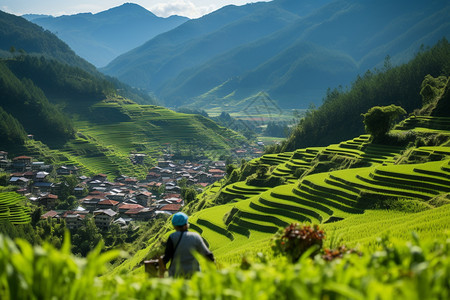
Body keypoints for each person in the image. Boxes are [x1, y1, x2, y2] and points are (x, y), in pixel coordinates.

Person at [158, 212, 215, 278]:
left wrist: (161, 263)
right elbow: (207, 255)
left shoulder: (173, 237)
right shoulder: (195, 236)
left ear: (174, 225)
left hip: (176, 275)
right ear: (186, 224)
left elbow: (167, 257)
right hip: (194, 275)